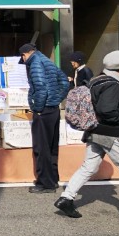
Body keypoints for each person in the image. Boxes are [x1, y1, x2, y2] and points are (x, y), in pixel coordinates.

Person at [54, 51, 119, 223]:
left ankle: (66, 198)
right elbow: (106, 110)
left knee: (88, 167)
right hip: (109, 133)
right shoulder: (114, 84)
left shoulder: (97, 79)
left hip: (94, 131)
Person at [19, 43, 69, 194]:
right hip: (53, 110)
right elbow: (65, 82)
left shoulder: (35, 63)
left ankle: (45, 183)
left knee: (42, 147)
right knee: (52, 147)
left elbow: (40, 87)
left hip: (44, 111)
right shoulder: (47, 60)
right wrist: (56, 99)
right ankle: (52, 180)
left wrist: (38, 108)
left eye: (23, 57)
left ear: (25, 54)